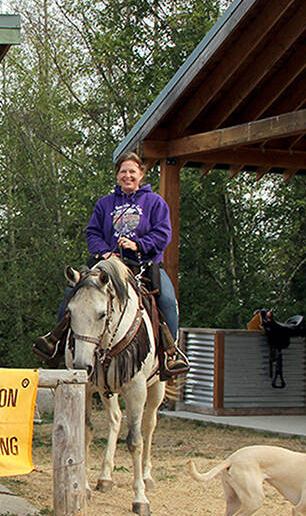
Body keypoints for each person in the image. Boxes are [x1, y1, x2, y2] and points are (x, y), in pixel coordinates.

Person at [34, 151, 189, 377]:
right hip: (108, 265)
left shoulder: (155, 202)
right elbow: (92, 233)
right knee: (73, 292)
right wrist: (104, 252)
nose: (128, 175)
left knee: (166, 298)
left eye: (132, 171)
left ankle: (170, 354)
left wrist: (139, 245)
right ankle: (55, 341)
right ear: (117, 175)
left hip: (143, 265)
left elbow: (163, 234)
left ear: (141, 175)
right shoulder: (105, 204)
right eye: (123, 171)